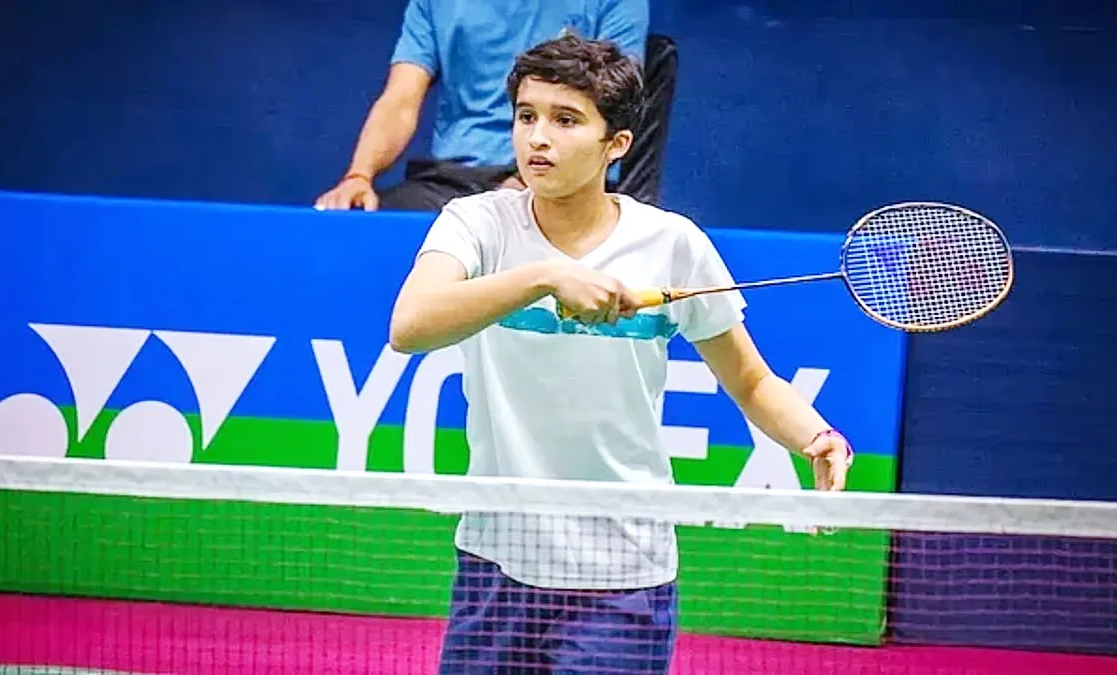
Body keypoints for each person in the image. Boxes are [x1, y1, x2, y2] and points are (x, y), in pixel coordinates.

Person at [388, 34, 853, 674]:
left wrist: (815, 436)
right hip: (497, 556)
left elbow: (750, 379)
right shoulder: (478, 224)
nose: (537, 138)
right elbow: (410, 325)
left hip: (622, 569)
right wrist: (544, 277)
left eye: (566, 120)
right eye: (526, 116)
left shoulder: (672, 244)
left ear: (617, 144)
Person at [313, 0, 649, 213]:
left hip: (565, 181)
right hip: (450, 183)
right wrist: (359, 176)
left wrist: (522, 188)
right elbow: (400, 98)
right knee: (359, 231)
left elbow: (613, 97)